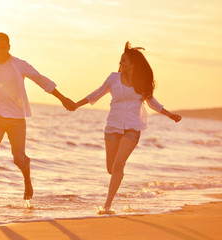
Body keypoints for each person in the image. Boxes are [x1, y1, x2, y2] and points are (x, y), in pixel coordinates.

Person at [0, 32, 75, 210]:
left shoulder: (19, 65)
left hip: (16, 119)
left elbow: (40, 79)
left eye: (2, 47)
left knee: (19, 158)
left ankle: (27, 182)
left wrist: (62, 98)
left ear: (9, 47)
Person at [74, 42, 182, 214]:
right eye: (120, 60)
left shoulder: (142, 83)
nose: (120, 63)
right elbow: (97, 93)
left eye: (124, 61)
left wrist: (169, 114)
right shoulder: (113, 79)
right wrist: (76, 104)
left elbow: (151, 102)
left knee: (118, 166)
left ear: (133, 63)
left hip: (133, 126)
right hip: (113, 126)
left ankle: (107, 205)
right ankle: (118, 176)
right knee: (111, 168)